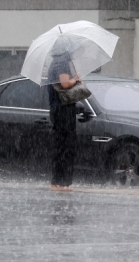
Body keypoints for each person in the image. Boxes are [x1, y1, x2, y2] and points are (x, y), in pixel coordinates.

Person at [47, 49, 80, 192]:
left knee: (60, 146)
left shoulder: (55, 62)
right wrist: (75, 79)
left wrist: (75, 82)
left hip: (58, 109)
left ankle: (57, 182)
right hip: (63, 110)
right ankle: (63, 183)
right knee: (66, 147)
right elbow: (65, 84)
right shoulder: (62, 62)